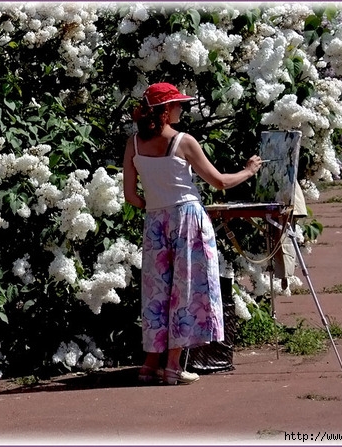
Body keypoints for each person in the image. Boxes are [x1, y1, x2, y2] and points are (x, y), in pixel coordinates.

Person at [122, 82, 263, 385]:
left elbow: (131, 196)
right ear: (165, 111)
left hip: (155, 221)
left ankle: (149, 364)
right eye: (177, 104)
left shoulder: (133, 144)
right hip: (186, 218)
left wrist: (156, 203)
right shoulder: (183, 141)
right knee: (186, 289)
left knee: (157, 291)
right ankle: (173, 365)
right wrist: (250, 171)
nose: (181, 108)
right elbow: (219, 182)